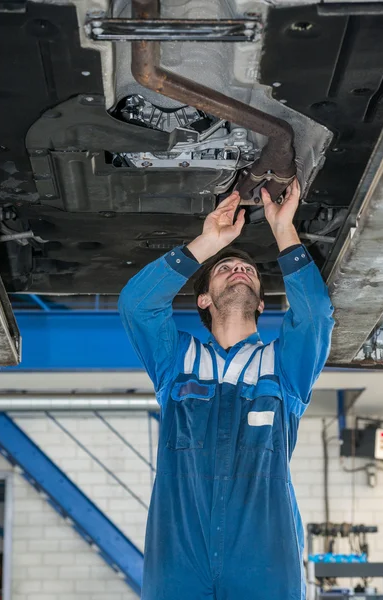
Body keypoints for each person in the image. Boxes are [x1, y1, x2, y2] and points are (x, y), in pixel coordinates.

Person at [118, 179, 334, 600]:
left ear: (260, 302)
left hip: (265, 555)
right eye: (224, 268)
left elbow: (315, 317)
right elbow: (137, 306)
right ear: (202, 300)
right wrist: (206, 243)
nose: (239, 269)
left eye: (249, 271)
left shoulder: (283, 366)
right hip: (179, 556)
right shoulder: (175, 362)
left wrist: (283, 228)